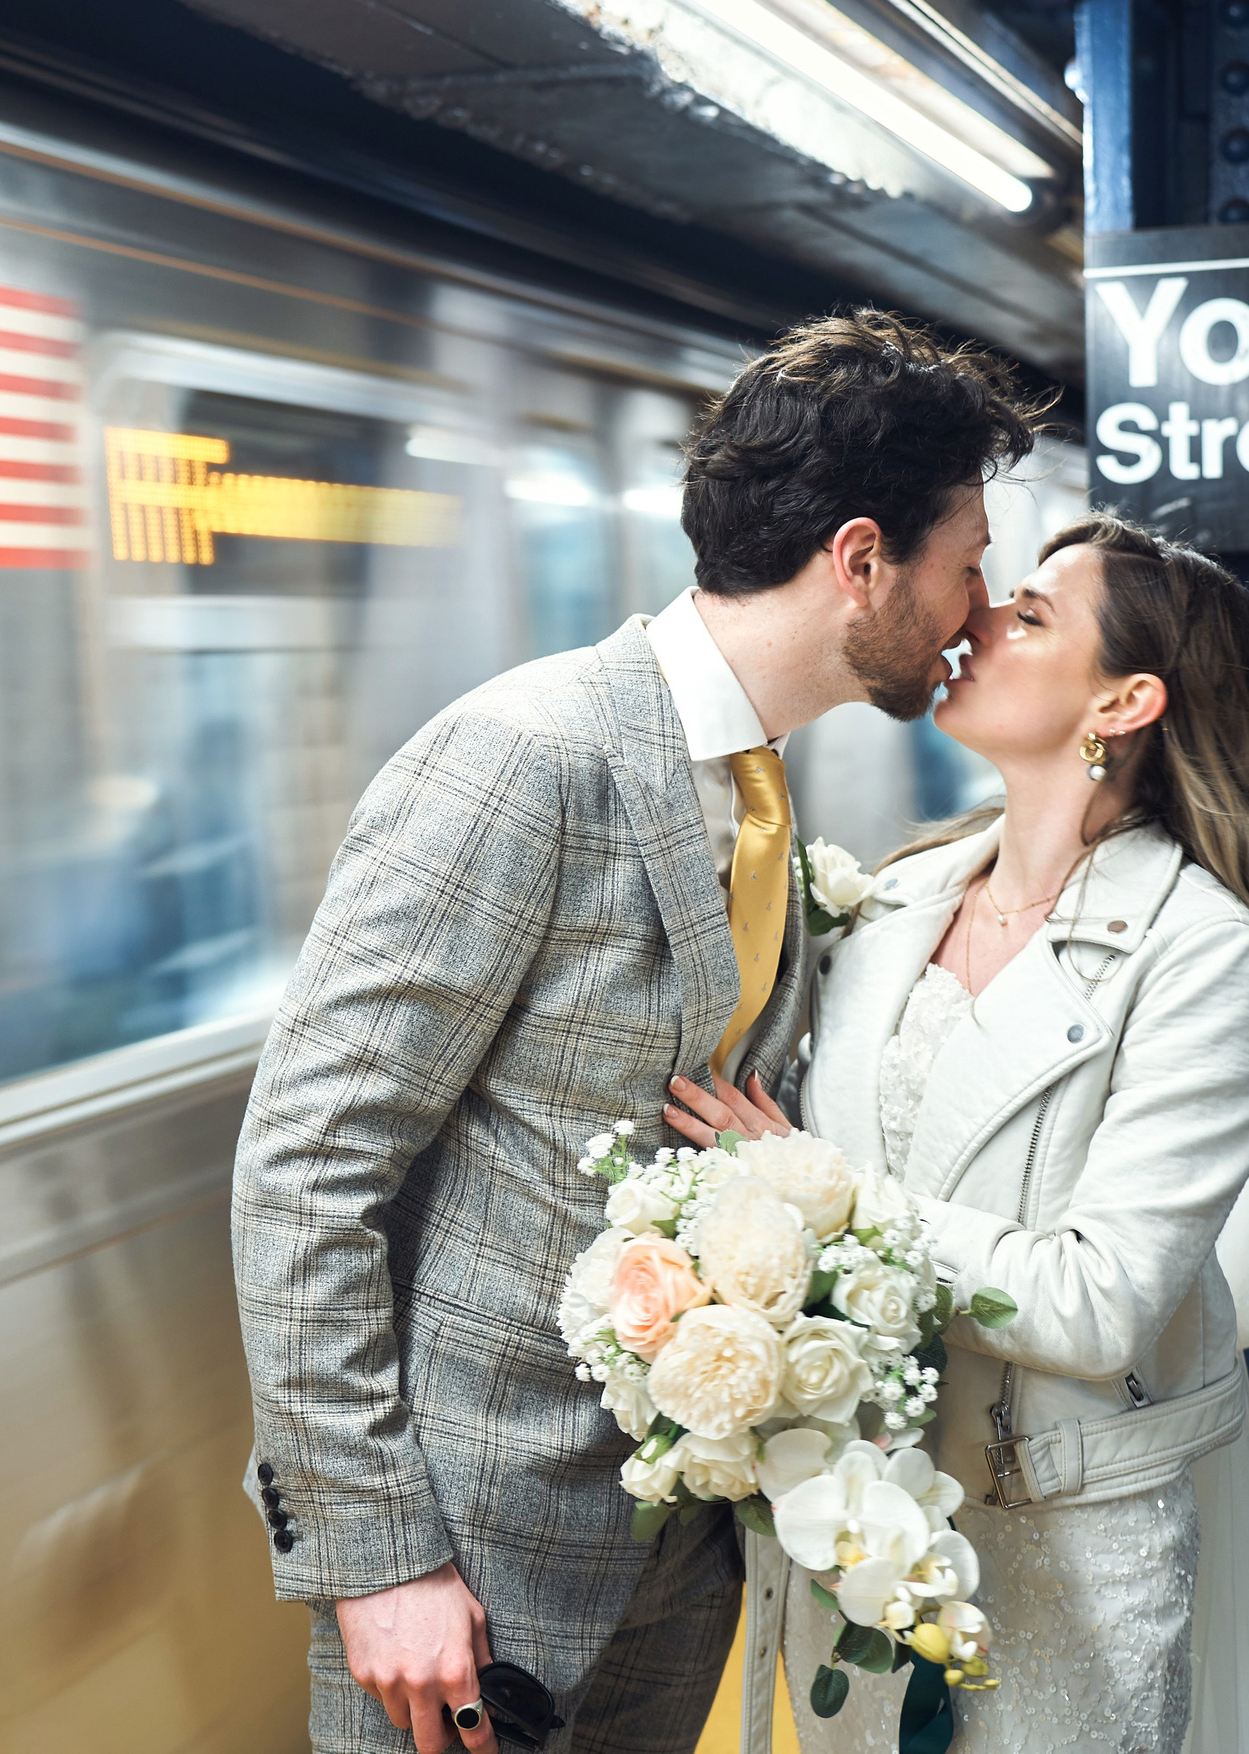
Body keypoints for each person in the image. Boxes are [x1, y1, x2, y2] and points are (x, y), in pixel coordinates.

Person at [230, 311, 1038, 1754]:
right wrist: (377, 1555)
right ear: (861, 559)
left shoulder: (761, 794)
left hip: (677, 1555)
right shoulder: (525, 756)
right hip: (467, 1567)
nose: (977, 608)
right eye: (965, 565)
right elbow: (306, 1164)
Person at [666, 514, 1249, 1753]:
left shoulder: (1199, 949)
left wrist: (819, 1193)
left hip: (1059, 1547)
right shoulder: (892, 900)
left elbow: (1099, 1304)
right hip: (859, 1520)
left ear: (1126, 700)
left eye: (1031, 612)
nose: (977, 616)